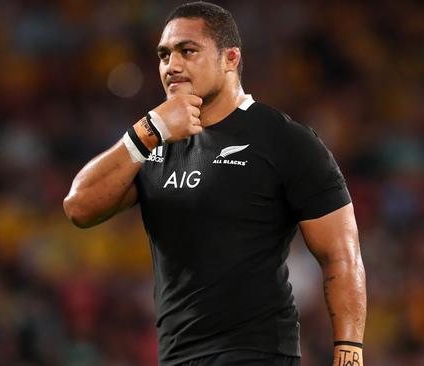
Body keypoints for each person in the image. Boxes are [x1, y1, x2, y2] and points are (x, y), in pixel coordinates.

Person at [64, 2, 366, 365]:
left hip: (256, 354)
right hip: (177, 357)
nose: (171, 66)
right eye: (164, 55)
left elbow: (341, 256)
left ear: (230, 58)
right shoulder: (154, 143)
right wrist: (148, 130)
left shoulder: (285, 140)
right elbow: (79, 208)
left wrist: (349, 352)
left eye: (187, 51)